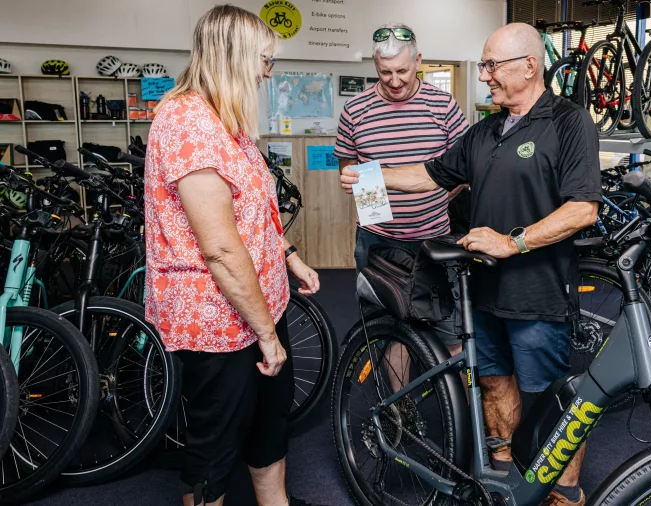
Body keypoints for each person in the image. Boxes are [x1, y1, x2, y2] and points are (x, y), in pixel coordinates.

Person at [340, 22, 602, 506]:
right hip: (481, 292)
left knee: (553, 404)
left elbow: (583, 208)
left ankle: (563, 497)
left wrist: (512, 241)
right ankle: (505, 487)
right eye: (483, 66)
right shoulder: (485, 129)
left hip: (537, 294)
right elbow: (429, 176)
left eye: (491, 66)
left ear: (529, 65)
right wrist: (368, 175)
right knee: (494, 385)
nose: (484, 76)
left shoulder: (568, 121)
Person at [143, 6, 320, 506]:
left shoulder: (227, 120)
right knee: (215, 444)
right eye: (264, 60)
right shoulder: (187, 121)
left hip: (259, 301)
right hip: (217, 319)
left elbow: (255, 209)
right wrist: (266, 334)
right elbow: (220, 247)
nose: (269, 72)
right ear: (234, 56)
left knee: (270, 419)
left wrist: (289, 256)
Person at [335, 23, 468, 272]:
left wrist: (436, 196)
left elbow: (464, 165)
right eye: (385, 72)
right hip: (375, 236)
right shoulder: (354, 109)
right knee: (377, 310)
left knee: (438, 310)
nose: (394, 81)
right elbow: (348, 167)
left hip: (434, 235)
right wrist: (356, 182)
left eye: (402, 71)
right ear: (375, 63)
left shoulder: (443, 105)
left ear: (417, 61)